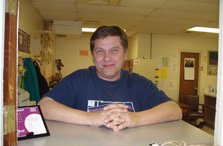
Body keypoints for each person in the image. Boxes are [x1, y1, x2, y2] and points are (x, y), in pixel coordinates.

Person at [38, 25, 182, 132]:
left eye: (114, 50)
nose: (107, 58)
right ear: (93, 56)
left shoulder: (139, 83)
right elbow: (43, 107)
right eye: (100, 51)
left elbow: (174, 110)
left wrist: (135, 119)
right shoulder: (79, 79)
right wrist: (92, 118)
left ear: (124, 54)